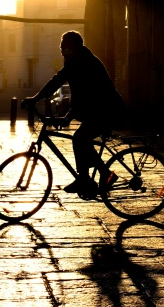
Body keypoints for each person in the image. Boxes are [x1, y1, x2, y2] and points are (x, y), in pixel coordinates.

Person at [21, 30, 127, 198]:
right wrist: (35, 99)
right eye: (61, 48)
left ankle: (92, 177)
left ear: (75, 48)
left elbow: (88, 94)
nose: (62, 51)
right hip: (95, 111)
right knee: (81, 140)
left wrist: (68, 115)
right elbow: (57, 80)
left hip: (107, 110)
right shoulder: (74, 62)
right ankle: (95, 176)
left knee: (80, 138)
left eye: (66, 48)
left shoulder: (85, 63)